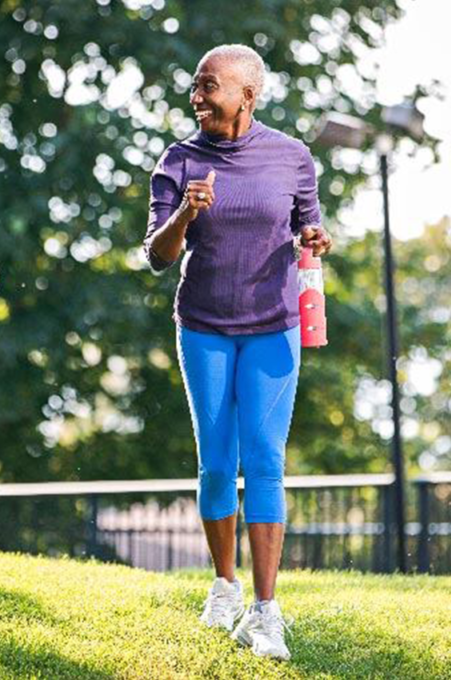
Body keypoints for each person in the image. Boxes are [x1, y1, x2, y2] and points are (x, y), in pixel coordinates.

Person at [144, 44, 331, 660]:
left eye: (209, 86)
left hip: (273, 327)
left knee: (266, 459)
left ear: (247, 95)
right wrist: (187, 214)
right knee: (218, 460)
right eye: (195, 87)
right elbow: (157, 254)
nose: (196, 97)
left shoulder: (293, 158)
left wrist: (315, 236)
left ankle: (266, 612)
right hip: (203, 326)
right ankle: (224, 586)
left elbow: (309, 228)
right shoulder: (180, 159)